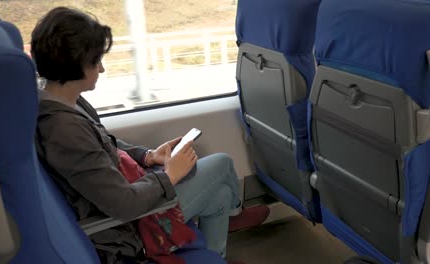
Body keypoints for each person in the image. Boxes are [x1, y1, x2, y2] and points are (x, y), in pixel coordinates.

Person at [32, 7, 268, 264]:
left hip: (125, 189)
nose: (101, 69)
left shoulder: (66, 102)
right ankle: (235, 214)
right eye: (96, 61)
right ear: (74, 64)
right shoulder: (64, 130)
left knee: (219, 196)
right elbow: (123, 204)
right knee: (221, 163)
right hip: (126, 226)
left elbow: (105, 144)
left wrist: (147, 156)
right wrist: (169, 176)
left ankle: (219, 247)